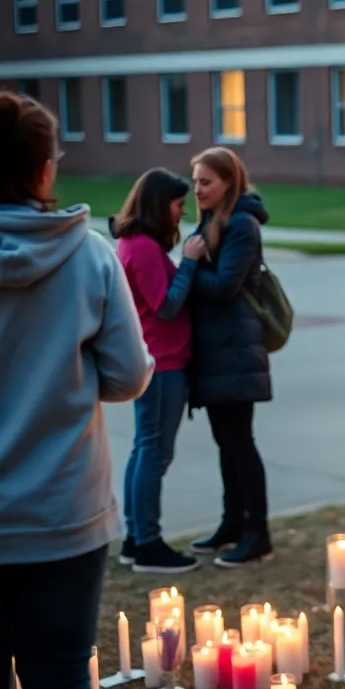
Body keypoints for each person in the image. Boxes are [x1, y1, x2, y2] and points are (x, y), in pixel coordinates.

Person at [0, 92, 154, 689]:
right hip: (63, 513)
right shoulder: (89, 255)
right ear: (45, 168)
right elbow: (129, 376)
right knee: (61, 686)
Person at [185, 147, 275, 568]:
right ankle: (232, 524)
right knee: (226, 442)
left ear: (228, 182)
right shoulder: (212, 220)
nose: (197, 190)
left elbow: (224, 287)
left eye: (206, 182)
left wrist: (189, 267)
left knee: (240, 442)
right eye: (195, 181)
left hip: (236, 349)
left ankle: (258, 533)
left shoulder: (241, 224)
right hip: (218, 349)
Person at [113, 169, 207, 573]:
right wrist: (189, 263)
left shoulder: (132, 243)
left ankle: (136, 539)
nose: (181, 211)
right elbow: (166, 305)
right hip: (163, 364)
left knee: (144, 449)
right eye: (178, 203)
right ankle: (147, 544)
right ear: (158, 203)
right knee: (154, 452)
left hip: (154, 360)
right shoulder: (143, 248)